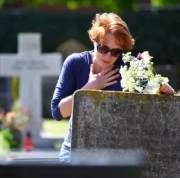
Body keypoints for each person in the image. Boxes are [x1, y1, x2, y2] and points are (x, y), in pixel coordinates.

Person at [51, 12, 175, 163]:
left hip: (117, 152)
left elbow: (153, 106)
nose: (109, 56)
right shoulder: (75, 63)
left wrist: (163, 92)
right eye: (103, 48)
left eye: (116, 51)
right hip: (75, 152)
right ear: (94, 42)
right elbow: (58, 112)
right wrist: (90, 88)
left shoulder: (131, 66)